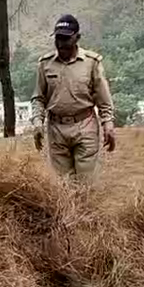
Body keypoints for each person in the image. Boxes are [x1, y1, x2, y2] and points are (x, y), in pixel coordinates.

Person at [30, 14, 116, 183]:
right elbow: (38, 98)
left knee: (86, 183)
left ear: (77, 37)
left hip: (85, 126)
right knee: (63, 185)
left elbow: (103, 97)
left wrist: (108, 122)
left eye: (66, 38)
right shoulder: (45, 64)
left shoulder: (91, 62)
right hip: (56, 129)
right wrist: (37, 123)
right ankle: (68, 210)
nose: (61, 43)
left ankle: (84, 209)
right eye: (58, 38)